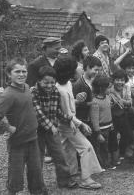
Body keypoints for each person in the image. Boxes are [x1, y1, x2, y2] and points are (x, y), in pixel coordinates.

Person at [0, 58, 47, 195]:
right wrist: (8, 128)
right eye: (17, 71)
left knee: (36, 173)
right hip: (18, 142)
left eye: (24, 71)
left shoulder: (26, 88)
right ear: (9, 74)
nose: (21, 74)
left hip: (33, 139)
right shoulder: (8, 95)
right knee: (15, 177)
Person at [54, 57, 103, 190]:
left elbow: (70, 105)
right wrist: (81, 124)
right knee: (86, 147)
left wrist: (77, 100)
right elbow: (66, 113)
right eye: (74, 68)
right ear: (68, 71)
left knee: (68, 149)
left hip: (70, 122)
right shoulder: (59, 89)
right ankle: (86, 179)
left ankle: (69, 175)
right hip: (68, 124)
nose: (77, 70)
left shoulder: (67, 84)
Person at [31, 66, 77, 189]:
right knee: (37, 158)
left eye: (52, 82)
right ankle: (37, 185)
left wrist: (69, 118)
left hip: (52, 130)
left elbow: (56, 111)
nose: (49, 85)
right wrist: (51, 126)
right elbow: (38, 113)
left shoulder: (55, 92)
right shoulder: (33, 92)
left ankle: (64, 181)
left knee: (60, 155)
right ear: (39, 81)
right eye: (46, 82)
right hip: (37, 131)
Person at [90, 75, 117, 169]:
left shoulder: (107, 98)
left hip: (108, 127)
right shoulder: (95, 102)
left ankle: (105, 163)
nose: (111, 89)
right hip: (101, 129)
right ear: (102, 88)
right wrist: (98, 133)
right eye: (109, 87)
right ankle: (102, 165)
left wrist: (111, 125)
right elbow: (94, 119)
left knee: (106, 147)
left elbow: (108, 112)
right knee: (101, 148)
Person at [109, 69, 133, 162]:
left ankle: (122, 151)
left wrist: (124, 102)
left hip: (123, 114)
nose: (120, 82)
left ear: (125, 80)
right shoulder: (110, 90)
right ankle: (114, 155)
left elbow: (130, 101)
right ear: (113, 80)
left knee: (127, 134)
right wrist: (114, 104)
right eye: (117, 80)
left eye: (122, 80)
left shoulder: (126, 88)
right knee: (113, 136)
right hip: (113, 116)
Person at [73, 56, 102, 126]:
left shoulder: (94, 80)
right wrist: (92, 103)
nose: (97, 72)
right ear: (88, 67)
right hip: (85, 120)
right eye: (95, 70)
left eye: (98, 70)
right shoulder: (79, 84)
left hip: (95, 118)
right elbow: (75, 104)